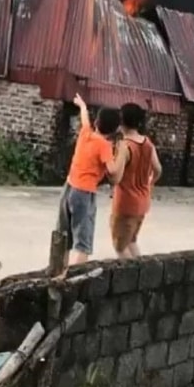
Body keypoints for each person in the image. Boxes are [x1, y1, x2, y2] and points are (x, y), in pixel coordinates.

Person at [58, 93, 126, 268]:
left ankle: (58, 272)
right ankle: (73, 278)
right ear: (114, 130)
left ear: (97, 122)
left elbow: (84, 118)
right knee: (83, 243)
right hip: (84, 193)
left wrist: (82, 105)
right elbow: (112, 171)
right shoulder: (105, 146)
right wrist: (120, 152)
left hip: (69, 187)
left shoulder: (86, 133)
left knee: (63, 236)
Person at [109, 102, 163, 259]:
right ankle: (140, 273)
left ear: (121, 122)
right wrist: (150, 183)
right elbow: (158, 169)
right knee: (131, 241)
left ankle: (130, 279)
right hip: (143, 201)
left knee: (119, 247)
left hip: (125, 203)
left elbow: (115, 177)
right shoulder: (147, 143)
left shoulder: (125, 146)